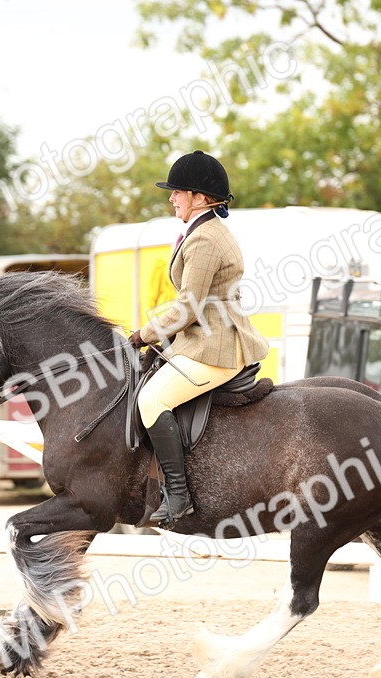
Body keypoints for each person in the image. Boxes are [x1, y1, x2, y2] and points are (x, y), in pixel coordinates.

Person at [128, 150, 270, 525]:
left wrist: (142, 335)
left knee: (151, 399)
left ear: (200, 198)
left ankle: (178, 495)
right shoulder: (201, 232)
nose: (172, 199)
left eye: (178, 192)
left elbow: (188, 308)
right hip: (203, 338)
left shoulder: (205, 239)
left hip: (216, 347)